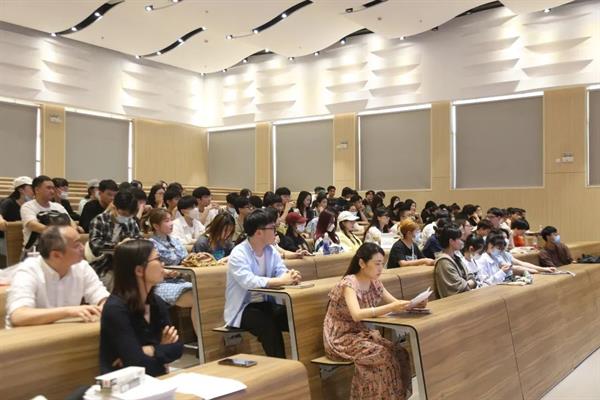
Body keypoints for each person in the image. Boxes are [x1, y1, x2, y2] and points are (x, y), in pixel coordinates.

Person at [324, 243, 416, 400]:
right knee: (381, 355)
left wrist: (413, 304)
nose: (381, 268)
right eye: (377, 263)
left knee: (399, 352)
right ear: (362, 263)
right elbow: (356, 315)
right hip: (340, 338)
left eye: (382, 264)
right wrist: (391, 307)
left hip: (360, 334)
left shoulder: (375, 282)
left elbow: (395, 303)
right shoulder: (349, 283)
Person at [224, 209, 302, 358]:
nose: (276, 232)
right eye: (272, 228)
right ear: (259, 232)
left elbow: (280, 270)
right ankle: (280, 366)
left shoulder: (271, 250)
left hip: (267, 304)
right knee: (268, 325)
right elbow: (249, 281)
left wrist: (290, 276)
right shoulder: (238, 253)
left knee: (296, 317)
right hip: (243, 308)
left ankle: (303, 361)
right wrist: (280, 280)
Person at [99, 239, 183, 376]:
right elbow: (136, 363)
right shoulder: (115, 309)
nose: (162, 264)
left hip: (155, 380)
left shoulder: (157, 302)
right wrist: (161, 351)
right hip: (123, 384)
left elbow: (177, 348)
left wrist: (150, 350)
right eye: (158, 259)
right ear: (139, 270)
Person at [6, 226, 109, 328]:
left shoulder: (82, 267)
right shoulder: (28, 270)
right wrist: (68, 311)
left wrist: (104, 307)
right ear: (56, 255)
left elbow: (103, 297)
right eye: (76, 245)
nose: (82, 248)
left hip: (66, 333)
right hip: (30, 335)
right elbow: (18, 315)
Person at [88, 190, 142, 288]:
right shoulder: (100, 220)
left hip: (127, 265)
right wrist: (118, 246)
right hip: (105, 264)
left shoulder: (131, 222)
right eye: (123, 214)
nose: (126, 217)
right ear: (114, 207)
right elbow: (95, 245)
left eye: (129, 215)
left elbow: (138, 241)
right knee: (113, 282)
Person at [20, 175, 72, 253]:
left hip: (58, 248)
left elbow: (71, 223)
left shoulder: (58, 206)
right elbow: (33, 225)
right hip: (35, 250)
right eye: (48, 188)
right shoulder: (27, 206)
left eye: (53, 188)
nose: (52, 191)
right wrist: (60, 233)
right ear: (37, 190)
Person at [434, 224, 478, 298]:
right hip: (455, 300)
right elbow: (458, 287)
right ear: (451, 241)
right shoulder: (444, 262)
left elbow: (471, 276)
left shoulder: (456, 257)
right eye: (459, 239)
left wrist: (468, 283)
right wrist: (469, 283)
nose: (462, 242)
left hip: (465, 296)